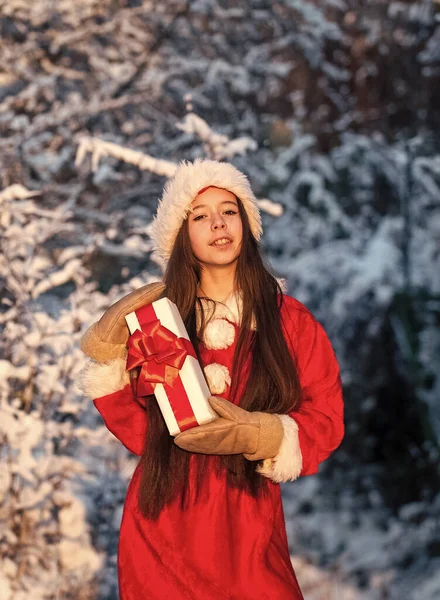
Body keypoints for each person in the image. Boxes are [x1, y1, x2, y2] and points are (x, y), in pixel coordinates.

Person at [78, 158, 344, 600]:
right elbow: (138, 428)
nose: (218, 224)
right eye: (200, 216)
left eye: (229, 210)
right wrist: (111, 358)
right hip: (161, 524)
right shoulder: (159, 323)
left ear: (247, 222)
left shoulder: (288, 320)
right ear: (182, 236)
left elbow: (326, 416)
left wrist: (264, 434)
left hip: (249, 528)